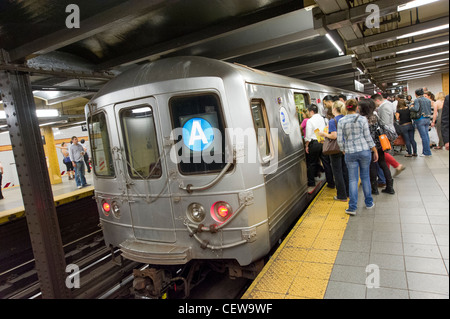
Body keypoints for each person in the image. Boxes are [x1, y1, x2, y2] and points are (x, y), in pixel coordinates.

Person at [337, 99, 378, 216]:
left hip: (350, 152)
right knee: (365, 177)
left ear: (346, 108)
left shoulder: (341, 121)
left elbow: (340, 140)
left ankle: (352, 207)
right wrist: (374, 149)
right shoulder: (362, 119)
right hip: (364, 150)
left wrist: (343, 150)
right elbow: (367, 136)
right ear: (357, 108)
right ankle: (369, 203)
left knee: (353, 180)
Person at [359, 98, 395, 195]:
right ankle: (390, 187)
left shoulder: (362, 119)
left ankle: (374, 189)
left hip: (369, 145)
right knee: (383, 164)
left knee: (372, 166)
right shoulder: (375, 116)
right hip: (379, 144)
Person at [318, 100, 348, 201]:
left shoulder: (333, 121)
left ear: (334, 109)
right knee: (345, 170)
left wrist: (324, 134)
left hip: (336, 149)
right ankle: (347, 193)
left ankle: (341, 195)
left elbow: (334, 136)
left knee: (337, 172)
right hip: (345, 148)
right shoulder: (345, 118)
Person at [304, 104, 334, 188]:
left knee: (312, 163)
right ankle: (331, 183)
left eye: (308, 111)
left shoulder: (310, 121)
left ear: (311, 111)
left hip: (314, 144)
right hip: (323, 142)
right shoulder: (324, 119)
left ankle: (311, 183)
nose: (308, 113)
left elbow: (308, 136)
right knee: (326, 163)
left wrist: (307, 146)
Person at [411, 88, 433, 156]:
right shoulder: (428, 100)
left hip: (420, 119)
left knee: (423, 136)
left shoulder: (417, 100)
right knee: (426, 135)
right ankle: (428, 151)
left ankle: (426, 152)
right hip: (427, 118)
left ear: (416, 94)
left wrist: (411, 107)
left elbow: (416, 108)